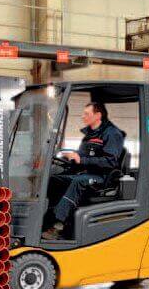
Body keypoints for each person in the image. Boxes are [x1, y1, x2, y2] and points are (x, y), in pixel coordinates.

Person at [45, 101, 126, 240]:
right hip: (86, 173)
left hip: (102, 177)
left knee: (78, 182)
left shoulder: (111, 134)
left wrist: (82, 160)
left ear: (98, 115)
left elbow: (110, 162)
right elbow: (82, 156)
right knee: (54, 179)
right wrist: (71, 157)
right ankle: (47, 218)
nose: (83, 116)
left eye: (86, 114)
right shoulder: (90, 135)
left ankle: (58, 225)